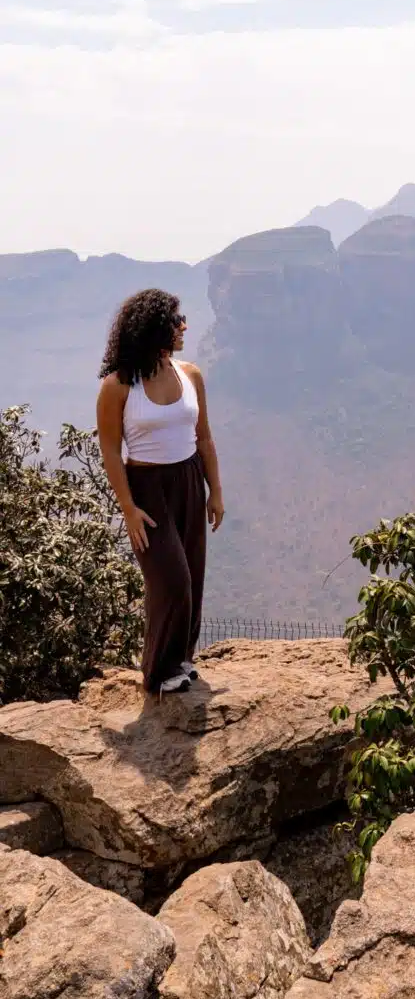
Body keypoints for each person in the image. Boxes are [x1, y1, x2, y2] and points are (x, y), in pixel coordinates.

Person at [96, 288, 224, 695]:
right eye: (175, 320)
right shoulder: (118, 386)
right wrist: (129, 509)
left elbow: (204, 439)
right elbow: (111, 452)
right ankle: (157, 671)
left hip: (188, 479)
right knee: (172, 579)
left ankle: (182, 658)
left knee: (194, 575)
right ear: (153, 328)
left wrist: (214, 491)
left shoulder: (191, 374)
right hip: (148, 488)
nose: (183, 326)